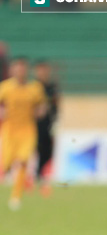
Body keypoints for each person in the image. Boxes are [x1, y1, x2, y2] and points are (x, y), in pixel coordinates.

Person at [0, 57, 46, 210]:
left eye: (22, 68)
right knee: (6, 165)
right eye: (17, 68)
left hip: (27, 131)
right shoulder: (5, 87)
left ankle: (16, 196)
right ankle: (8, 176)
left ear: (26, 70)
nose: (20, 71)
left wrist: (40, 112)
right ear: (12, 70)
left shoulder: (35, 88)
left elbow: (42, 106)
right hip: (9, 130)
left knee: (22, 162)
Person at [34, 60, 59, 196]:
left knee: (47, 153)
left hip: (48, 126)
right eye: (40, 70)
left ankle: (43, 180)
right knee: (33, 153)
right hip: (34, 127)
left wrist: (56, 122)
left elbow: (56, 105)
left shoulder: (52, 87)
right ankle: (32, 179)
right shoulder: (33, 87)